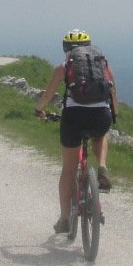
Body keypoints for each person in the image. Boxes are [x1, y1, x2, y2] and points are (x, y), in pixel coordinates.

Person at [34, 29, 118, 234]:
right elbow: (112, 90)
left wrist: (39, 109)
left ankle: (64, 219)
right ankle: (102, 166)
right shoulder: (103, 64)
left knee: (68, 171)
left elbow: (48, 94)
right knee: (100, 136)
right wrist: (114, 114)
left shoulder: (63, 67)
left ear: (66, 49)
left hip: (74, 118)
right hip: (101, 116)